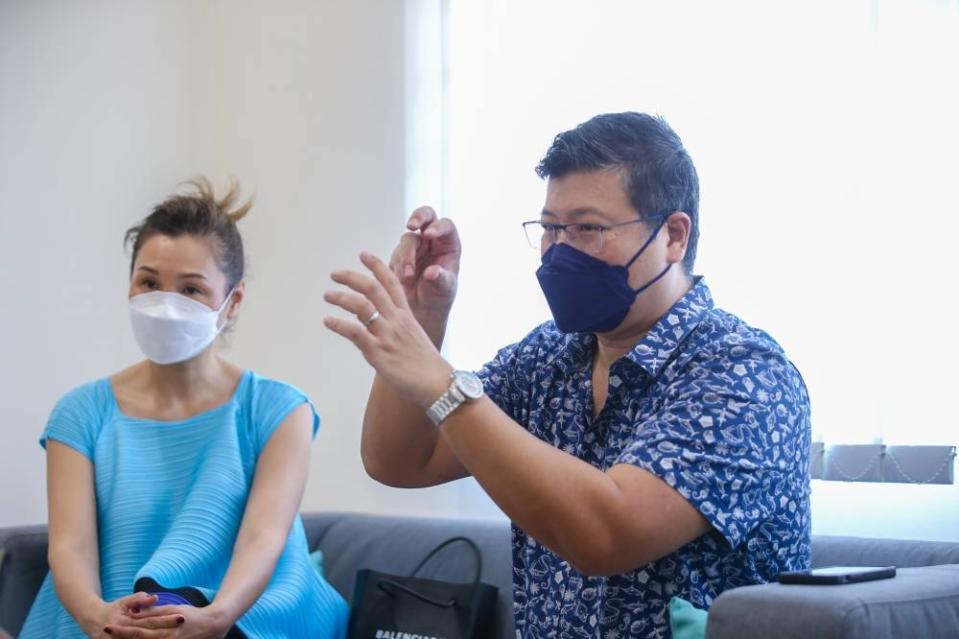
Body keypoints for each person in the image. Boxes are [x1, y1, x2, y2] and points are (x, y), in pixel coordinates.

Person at [324, 113, 811, 638]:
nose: (560, 250)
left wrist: (443, 383)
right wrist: (424, 318)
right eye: (551, 228)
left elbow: (605, 535)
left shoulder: (744, 375)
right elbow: (400, 460)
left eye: (588, 229)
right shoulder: (550, 357)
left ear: (673, 236)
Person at [21, 178, 348, 638]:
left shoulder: (278, 410)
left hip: (233, 620)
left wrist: (216, 618)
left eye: (191, 290)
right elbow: (70, 547)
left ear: (232, 301)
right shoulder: (80, 413)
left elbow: (264, 538)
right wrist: (98, 617)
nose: (165, 305)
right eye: (149, 282)